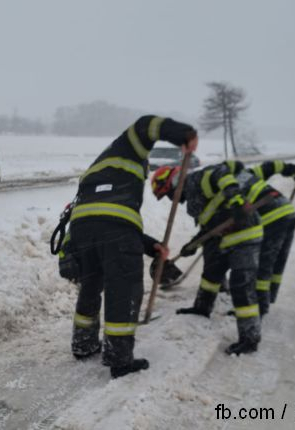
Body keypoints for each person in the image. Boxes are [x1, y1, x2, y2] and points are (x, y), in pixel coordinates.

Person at [69, 115, 197, 378]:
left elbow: (108, 220)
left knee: (91, 285)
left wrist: (152, 247)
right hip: (114, 228)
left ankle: (84, 344)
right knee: (122, 287)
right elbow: (147, 125)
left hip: (81, 229)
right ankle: (120, 359)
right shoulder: (127, 148)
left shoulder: (98, 167)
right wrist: (184, 133)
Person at [151, 161, 264, 355]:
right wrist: (192, 245)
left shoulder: (197, 179)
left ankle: (249, 338)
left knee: (241, 285)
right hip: (222, 238)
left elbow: (221, 172)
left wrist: (236, 200)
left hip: (244, 234)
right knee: (211, 274)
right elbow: (210, 225)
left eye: (169, 194)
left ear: (174, 184)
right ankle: (202, 307)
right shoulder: (194, 198)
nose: (173, 200)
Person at [226, 160, 295, 316]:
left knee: (263, 263)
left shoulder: (227, 188)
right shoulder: (248, 174)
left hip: (272, 218)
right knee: (277, 260)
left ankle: (260, 307)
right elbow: (273, 165)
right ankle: (269, 297)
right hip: (288, 212)